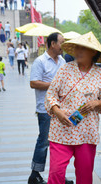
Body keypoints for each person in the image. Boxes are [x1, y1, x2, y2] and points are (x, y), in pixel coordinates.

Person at [45, 32, 101, 184]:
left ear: (93, 52)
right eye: (77, 48)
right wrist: (57, 111)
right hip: (61, 128)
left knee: (85, 176)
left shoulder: (100, 74)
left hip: (87, 132)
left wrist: (96, 103)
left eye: (83, 48)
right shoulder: (64, 69)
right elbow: (50, 95)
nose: (79, 51)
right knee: (56, 173)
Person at [29, 32, 69, 184]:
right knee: (44, 141)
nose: (63, 46)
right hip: (45, 109)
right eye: (61, 42)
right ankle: (35, 174)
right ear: (53, 44)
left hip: (61, 109)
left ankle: (57, 175)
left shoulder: (62, 61)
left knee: (58, 144)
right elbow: (33, 83)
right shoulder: (40, 61)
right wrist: (54, 85)